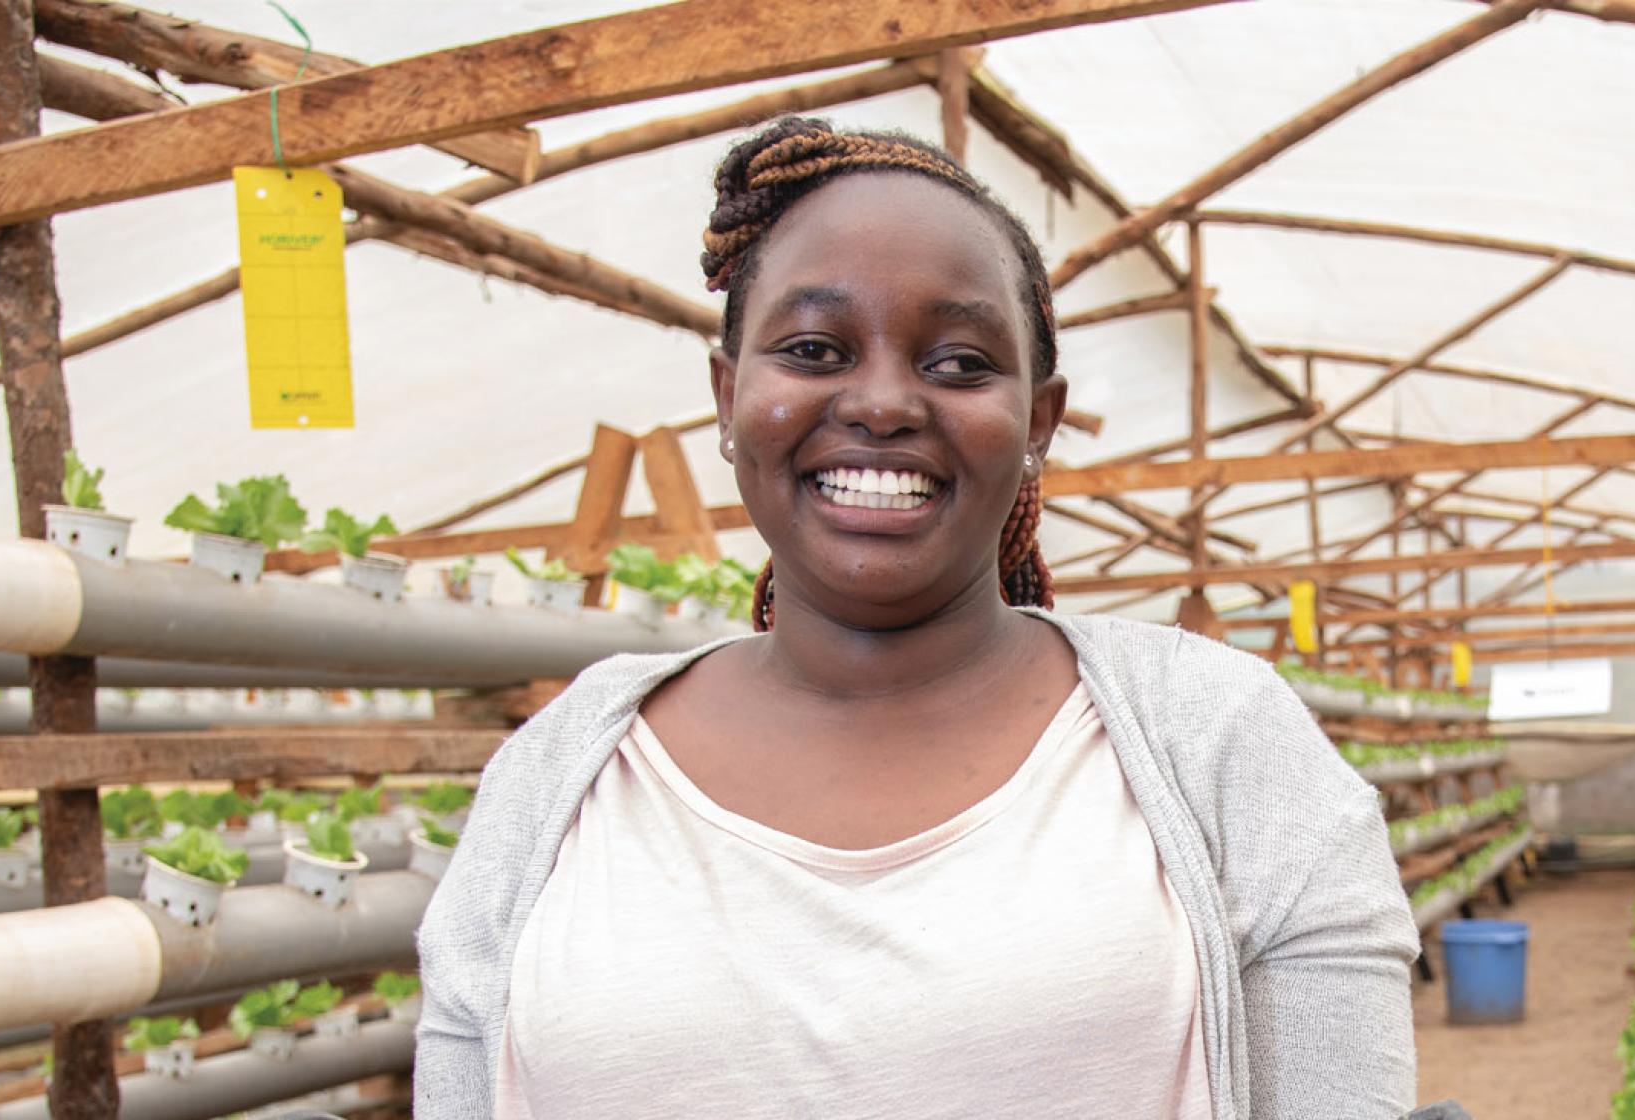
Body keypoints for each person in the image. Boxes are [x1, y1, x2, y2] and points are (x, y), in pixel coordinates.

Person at [414, 117, 1417, 1119]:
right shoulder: (562, 774)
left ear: (1037, 419)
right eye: (813, 348)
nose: (885, 401)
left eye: (958, 362)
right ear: (727, 396)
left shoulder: (1220, 737)